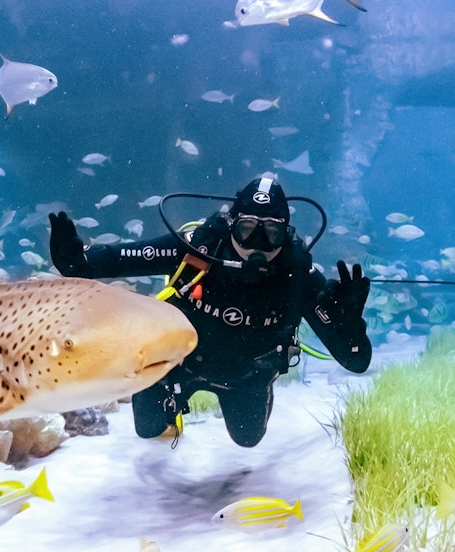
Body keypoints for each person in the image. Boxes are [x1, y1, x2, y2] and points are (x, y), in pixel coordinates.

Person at [49, 177, 371, 448]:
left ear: (286, 234)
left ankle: (255, 393)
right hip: (180, 365)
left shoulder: (297, 276)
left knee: (248, 438)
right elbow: (121, 257)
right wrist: (76, 262)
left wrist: (350, 327)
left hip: (248, 376)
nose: (258, 243)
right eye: (247, 228)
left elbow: (357, 361)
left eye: (271, 232)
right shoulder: (199, 248)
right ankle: (170, 403)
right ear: (231, 224)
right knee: (146, 429)